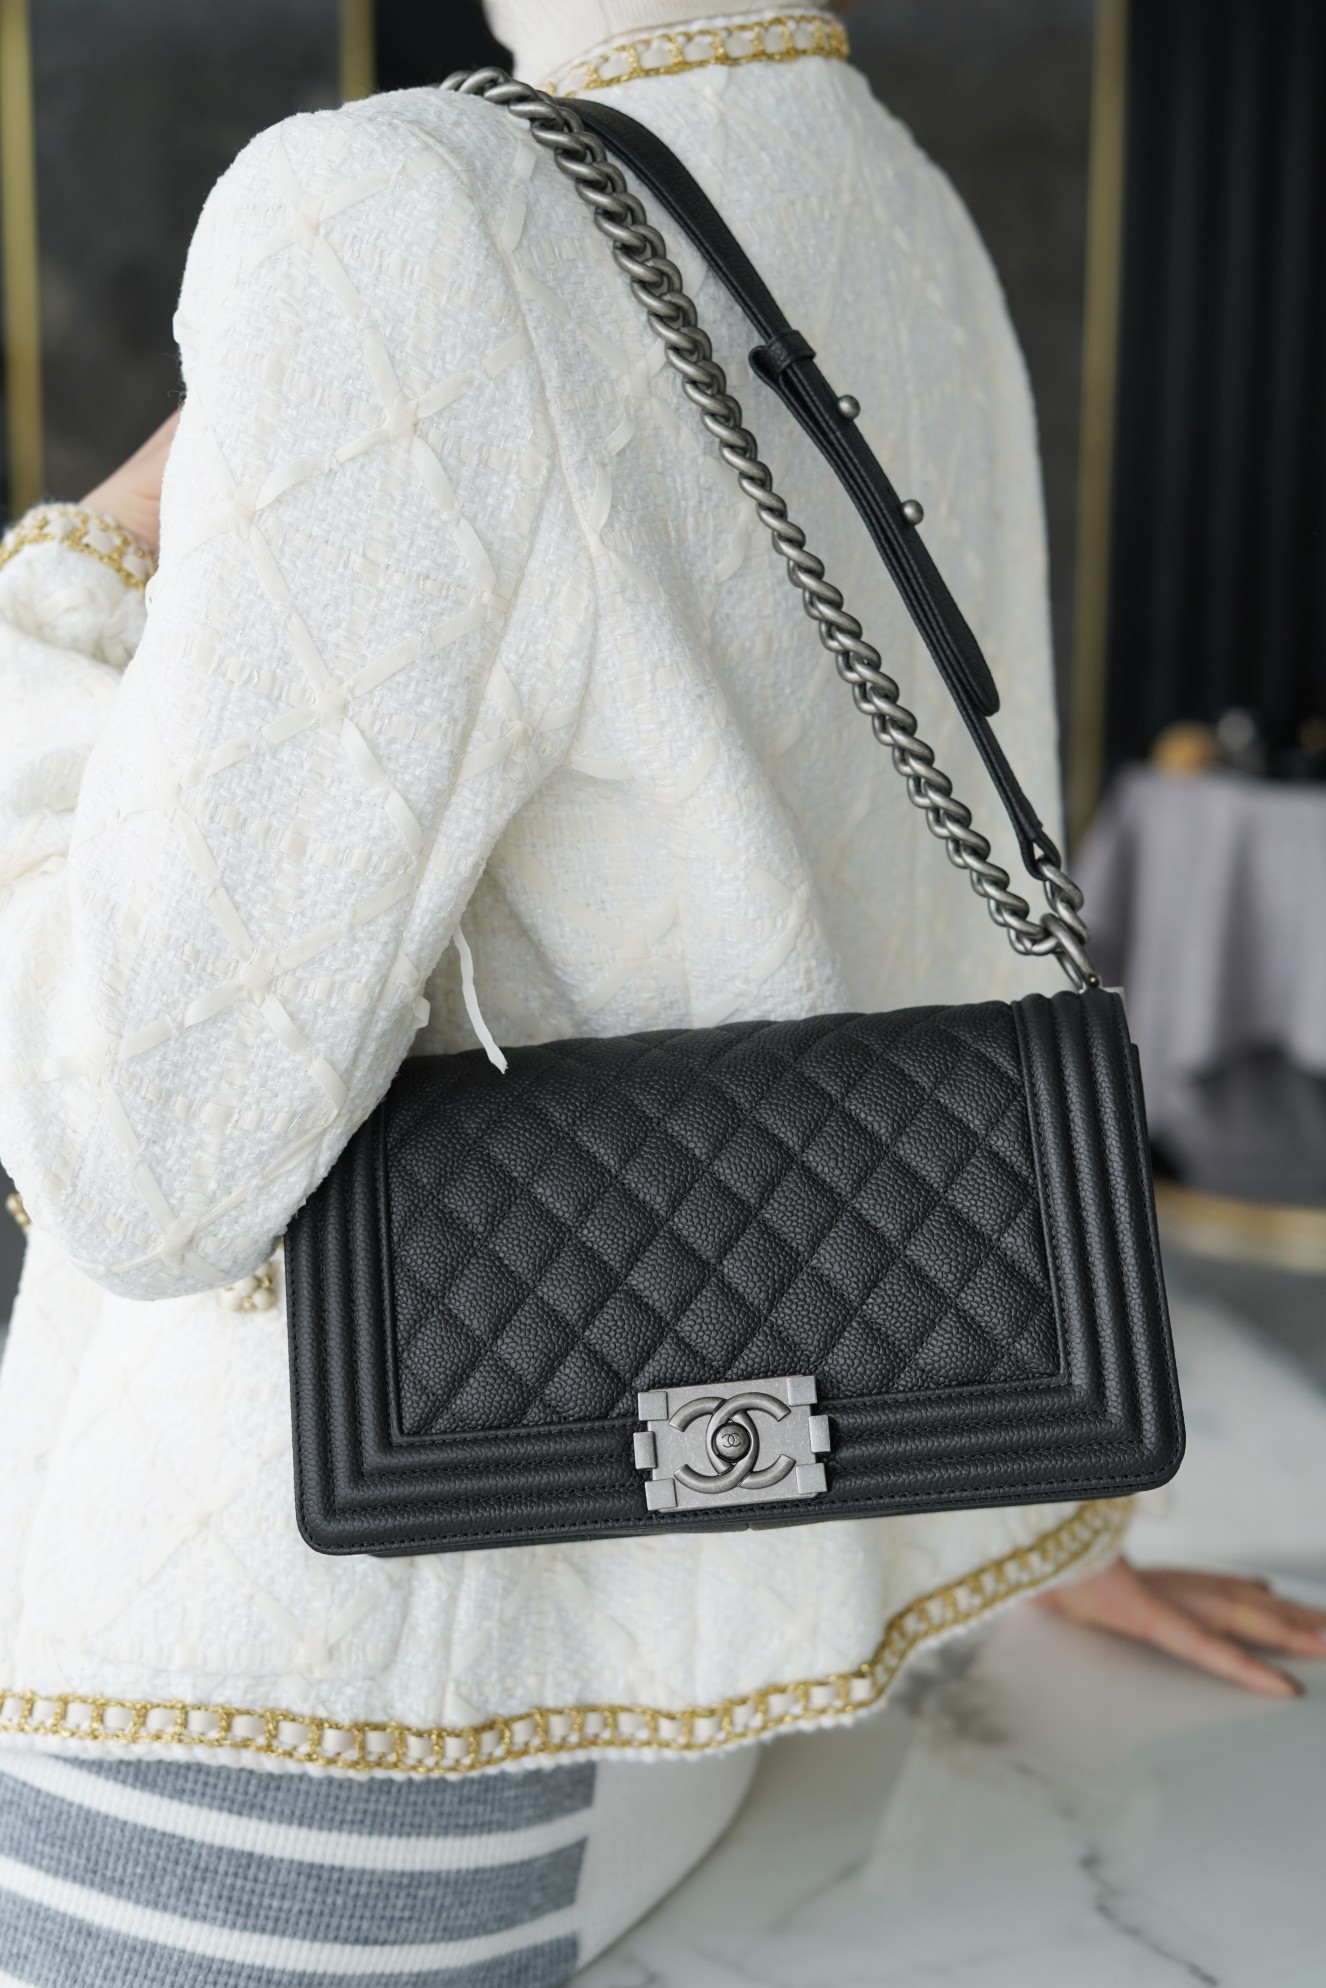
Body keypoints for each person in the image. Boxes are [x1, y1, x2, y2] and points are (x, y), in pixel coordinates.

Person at [0, 3, 1321, 1980]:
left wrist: (74, 583)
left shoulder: (395, 209)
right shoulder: (895, 199)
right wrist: (1008, 1495)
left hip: (324, 1720)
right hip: (736, 1677)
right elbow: (920, 919)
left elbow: (138, 1156)